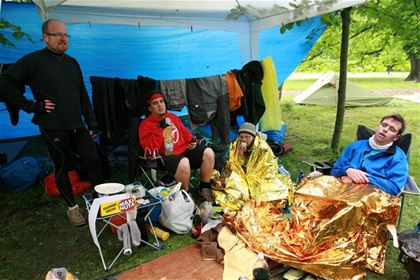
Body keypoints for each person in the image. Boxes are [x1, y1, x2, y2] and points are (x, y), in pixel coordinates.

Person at [0, 19, 103, 226]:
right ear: (46, 37)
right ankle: (73, 209)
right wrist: (32, 106)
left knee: (92, 159)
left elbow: (82, 93)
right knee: (62, 165)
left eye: (66, 35)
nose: (63, 38)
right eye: (58, 35)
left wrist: (91, 122)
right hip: (53, 125)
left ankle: (103, 202)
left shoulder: (72, 62)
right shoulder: (34, 61)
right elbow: (5, 83)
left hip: (77, 123)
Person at [138, 91, 215, 199]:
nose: (160, 105)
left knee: (208, 152)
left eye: (161, 101)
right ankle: (185, 195)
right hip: (164, 156)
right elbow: (149, 148)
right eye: (155, 103)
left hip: (182, 150)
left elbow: (185, 133)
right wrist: (159, 129)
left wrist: (192, 141)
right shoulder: (145, 124)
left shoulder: (172, 117)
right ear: (150, 108)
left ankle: (204, 187)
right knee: (184, 162)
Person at [213, 122, 291, 210]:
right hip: (241, 175)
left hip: (259, 176)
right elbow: (232, 166)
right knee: (234, 191)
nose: (244, 140)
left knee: (267, 193)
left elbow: (268, 167)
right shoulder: (235, 145)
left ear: (253, 137)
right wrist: (240, 155)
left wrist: (253, 177)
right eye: (241, 137)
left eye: (247, 137)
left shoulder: (262, 148)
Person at [331, 113, 408, 195]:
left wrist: (361, 179)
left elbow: (395, 187)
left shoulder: (398, 158)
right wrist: (347, 170)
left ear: (396, 137)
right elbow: (334, 170)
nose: (385, 129)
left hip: (373, 199)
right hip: (341, 191)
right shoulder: (354, 147)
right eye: (384, 125)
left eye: (392, 129)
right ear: (377, 126)